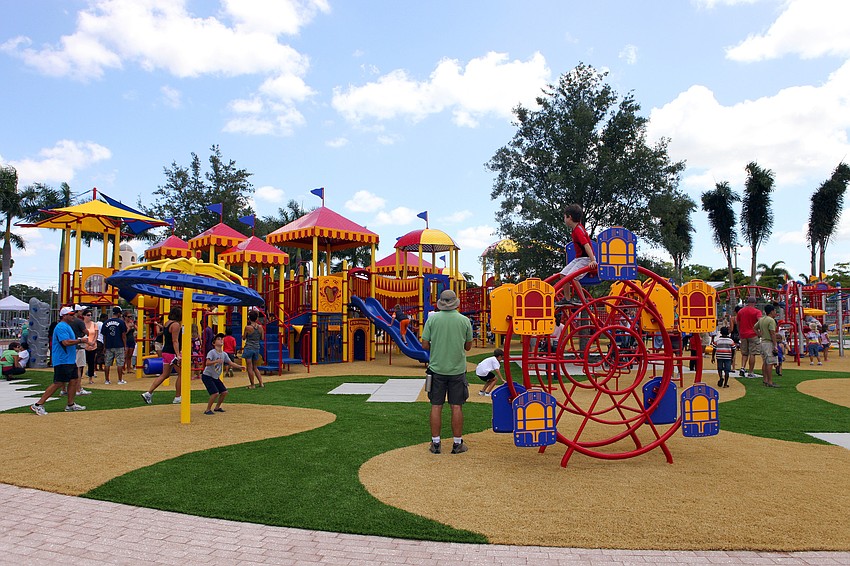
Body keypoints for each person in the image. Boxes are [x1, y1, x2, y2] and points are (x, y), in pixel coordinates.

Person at [421, 289, 473, 455]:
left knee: (436, 406)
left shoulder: (433, 319)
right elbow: (468, 346)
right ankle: (457, 443)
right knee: (456, 406)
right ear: (455, 303)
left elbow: (425, 345)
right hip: (457, 370)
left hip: (437, 370)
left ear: (441, 303)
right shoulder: (464, 321)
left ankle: (435, 443)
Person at [31, 306, 87, 415]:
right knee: (58, 382)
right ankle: (38, 404)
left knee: (73, 380)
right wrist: (80, 340)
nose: (73, 316)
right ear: (64, 316)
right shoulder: (61, 327)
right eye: (71, 314)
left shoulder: (66, 326)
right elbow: (65, 342)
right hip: (62, 359)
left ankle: (70, 404)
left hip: (69, 359)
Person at [556, 204, 598, 306]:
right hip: (579, 258)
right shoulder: (576, 229)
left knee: (573, 277)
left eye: (564, 217)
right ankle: (567, 298)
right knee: (563, 275)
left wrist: (592, 260)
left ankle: (583, 300)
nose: (564, 219)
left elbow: (587, 245)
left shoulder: (579, 230)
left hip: (586, 258)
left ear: (569, 217)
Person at [141, 306, 183, 404]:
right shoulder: (176, 325)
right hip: (172, 352)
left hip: (166, 351)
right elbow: (175, 340)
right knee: (181, 374)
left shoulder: (167, 323)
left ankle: (149, 393)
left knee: (165, 374)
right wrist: (178, 354)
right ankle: (177, 396)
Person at [201, 333, 242, 415]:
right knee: (215, 393)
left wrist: (240, 367)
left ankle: (217, 407)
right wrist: (216, 361)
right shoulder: (212, 352)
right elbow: (207, 363)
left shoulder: (224, 354)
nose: (221, 340)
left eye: (222, 339)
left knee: (224, 392)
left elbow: (230, 362)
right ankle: (207, 410)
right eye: (219, 339)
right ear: (214, 343)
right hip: (207, 376)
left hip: (215, 377)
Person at [736, 296, 762, 379]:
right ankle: (750, 371)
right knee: (752, 353)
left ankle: (742, 367)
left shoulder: (741, 311)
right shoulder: (757, 311)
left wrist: (740, 332)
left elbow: (738, 322)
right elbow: (760, 321)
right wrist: (759, 332)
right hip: (753, 334)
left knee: (744, 353)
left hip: (743, 334)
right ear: (754, 303)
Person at [754, 304, 780, 387]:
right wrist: (775, 345)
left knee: (765, 362)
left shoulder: (762, 319)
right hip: (769, 343)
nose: (775, 312)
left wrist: (759, 334)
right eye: (775, 311)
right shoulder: (771, 320)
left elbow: (754, 327)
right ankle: (770, 381)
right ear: (772, 311)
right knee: (770, 362)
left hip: (763, 342)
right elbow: (772, 333)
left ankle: (765, 380)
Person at [102, 306, 128, 385]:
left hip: (109, 345)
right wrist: (125, 345)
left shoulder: (106, 322)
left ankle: (107, 380)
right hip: (119, 344)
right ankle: (120, 380)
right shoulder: (121, 322)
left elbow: (104, 336)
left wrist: (104, 346)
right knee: (119, 363)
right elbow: (123, 335)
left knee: (107, 363)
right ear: (119, 313)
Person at [242, 310, 264, 389]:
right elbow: (262, 338)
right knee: (255, 367)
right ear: (257, 318)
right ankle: (261, 383)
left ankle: (252, 384)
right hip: (256, 347)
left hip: (249, 347)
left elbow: (244, 337)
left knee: (249, 367)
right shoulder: (260, 327)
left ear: (249, 318)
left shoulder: (248, 327)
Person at [82, 309, 98, 384]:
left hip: (93, 346)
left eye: (91, 315)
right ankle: (80, 376)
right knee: (81, 363)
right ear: (84, 316)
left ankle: (90, 378)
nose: (90, 317)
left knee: (91, 362)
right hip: (84, 346)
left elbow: (96, 335)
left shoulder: (94, 324)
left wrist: (93, 342)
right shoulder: (81, 324)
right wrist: (87, 343)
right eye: (88, 315)